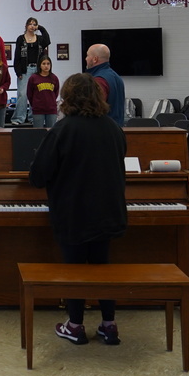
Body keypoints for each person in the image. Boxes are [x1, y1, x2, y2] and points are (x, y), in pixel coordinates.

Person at [29, 73, 127, 347]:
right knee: (102, 266)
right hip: (108, 212)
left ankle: (74, 325)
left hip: (74, 214)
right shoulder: (113, 127)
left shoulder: (62, 130)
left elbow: (38, 177)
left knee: (74, 268)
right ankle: (109, 325)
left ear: (68, 98)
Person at [11, 18, 51, 125]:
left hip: (37, 70)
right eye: (30, 24)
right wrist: (18, 72)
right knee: (22, 94)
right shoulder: (21, 39)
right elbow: (17, 56)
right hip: (25, 70)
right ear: (26, 26)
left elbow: (48, 40)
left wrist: (40, 28)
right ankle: (19, 118)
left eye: (34, 24)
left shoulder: (40, 39)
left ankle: (33, 118)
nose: (32, 26)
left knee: (36, 94)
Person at [85, 44, 125, 126]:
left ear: (95, 59)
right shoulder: (116, 77)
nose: (86, 59)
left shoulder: (99, 80)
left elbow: (94, 109)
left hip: (102, 130)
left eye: (87, 55)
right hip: (116, 129)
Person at [26, 54, 60, 128]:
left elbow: (56, 93)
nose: (46, 66)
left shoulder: (54, 78)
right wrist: (35, 104)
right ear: (40, 65)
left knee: (51, 133)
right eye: (44, 64)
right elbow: (29, 94)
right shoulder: (33, 78)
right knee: (38, 133)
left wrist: (51, 101)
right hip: (38, 110)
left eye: (48, 64)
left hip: (51, 110)